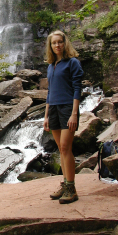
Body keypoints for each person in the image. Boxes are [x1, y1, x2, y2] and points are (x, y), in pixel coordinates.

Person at [43, 30, 84, 204]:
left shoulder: (72, 62)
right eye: (54, 43)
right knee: (61, 148)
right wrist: (45, 116)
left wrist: (74, 113)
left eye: (60, 42)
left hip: (68, 108)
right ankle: (65, 183)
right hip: (53, 109)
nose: (57, 45)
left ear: (64, 43)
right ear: (50, 46)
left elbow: (77, 88)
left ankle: (71, 188)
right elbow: (50, 91)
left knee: (66, 147)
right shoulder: (51, 66)